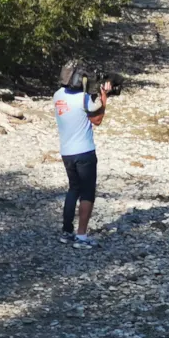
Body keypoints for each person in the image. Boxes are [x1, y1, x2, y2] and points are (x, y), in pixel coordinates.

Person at [53, 62, 111, 249]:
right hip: (84, 151)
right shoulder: (83, 99)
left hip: (66, 151)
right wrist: (104, 96)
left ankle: (66, 232)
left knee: (73, 189)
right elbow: (98, 119)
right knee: (87, 193)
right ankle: (82, 236)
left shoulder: (57, 96)